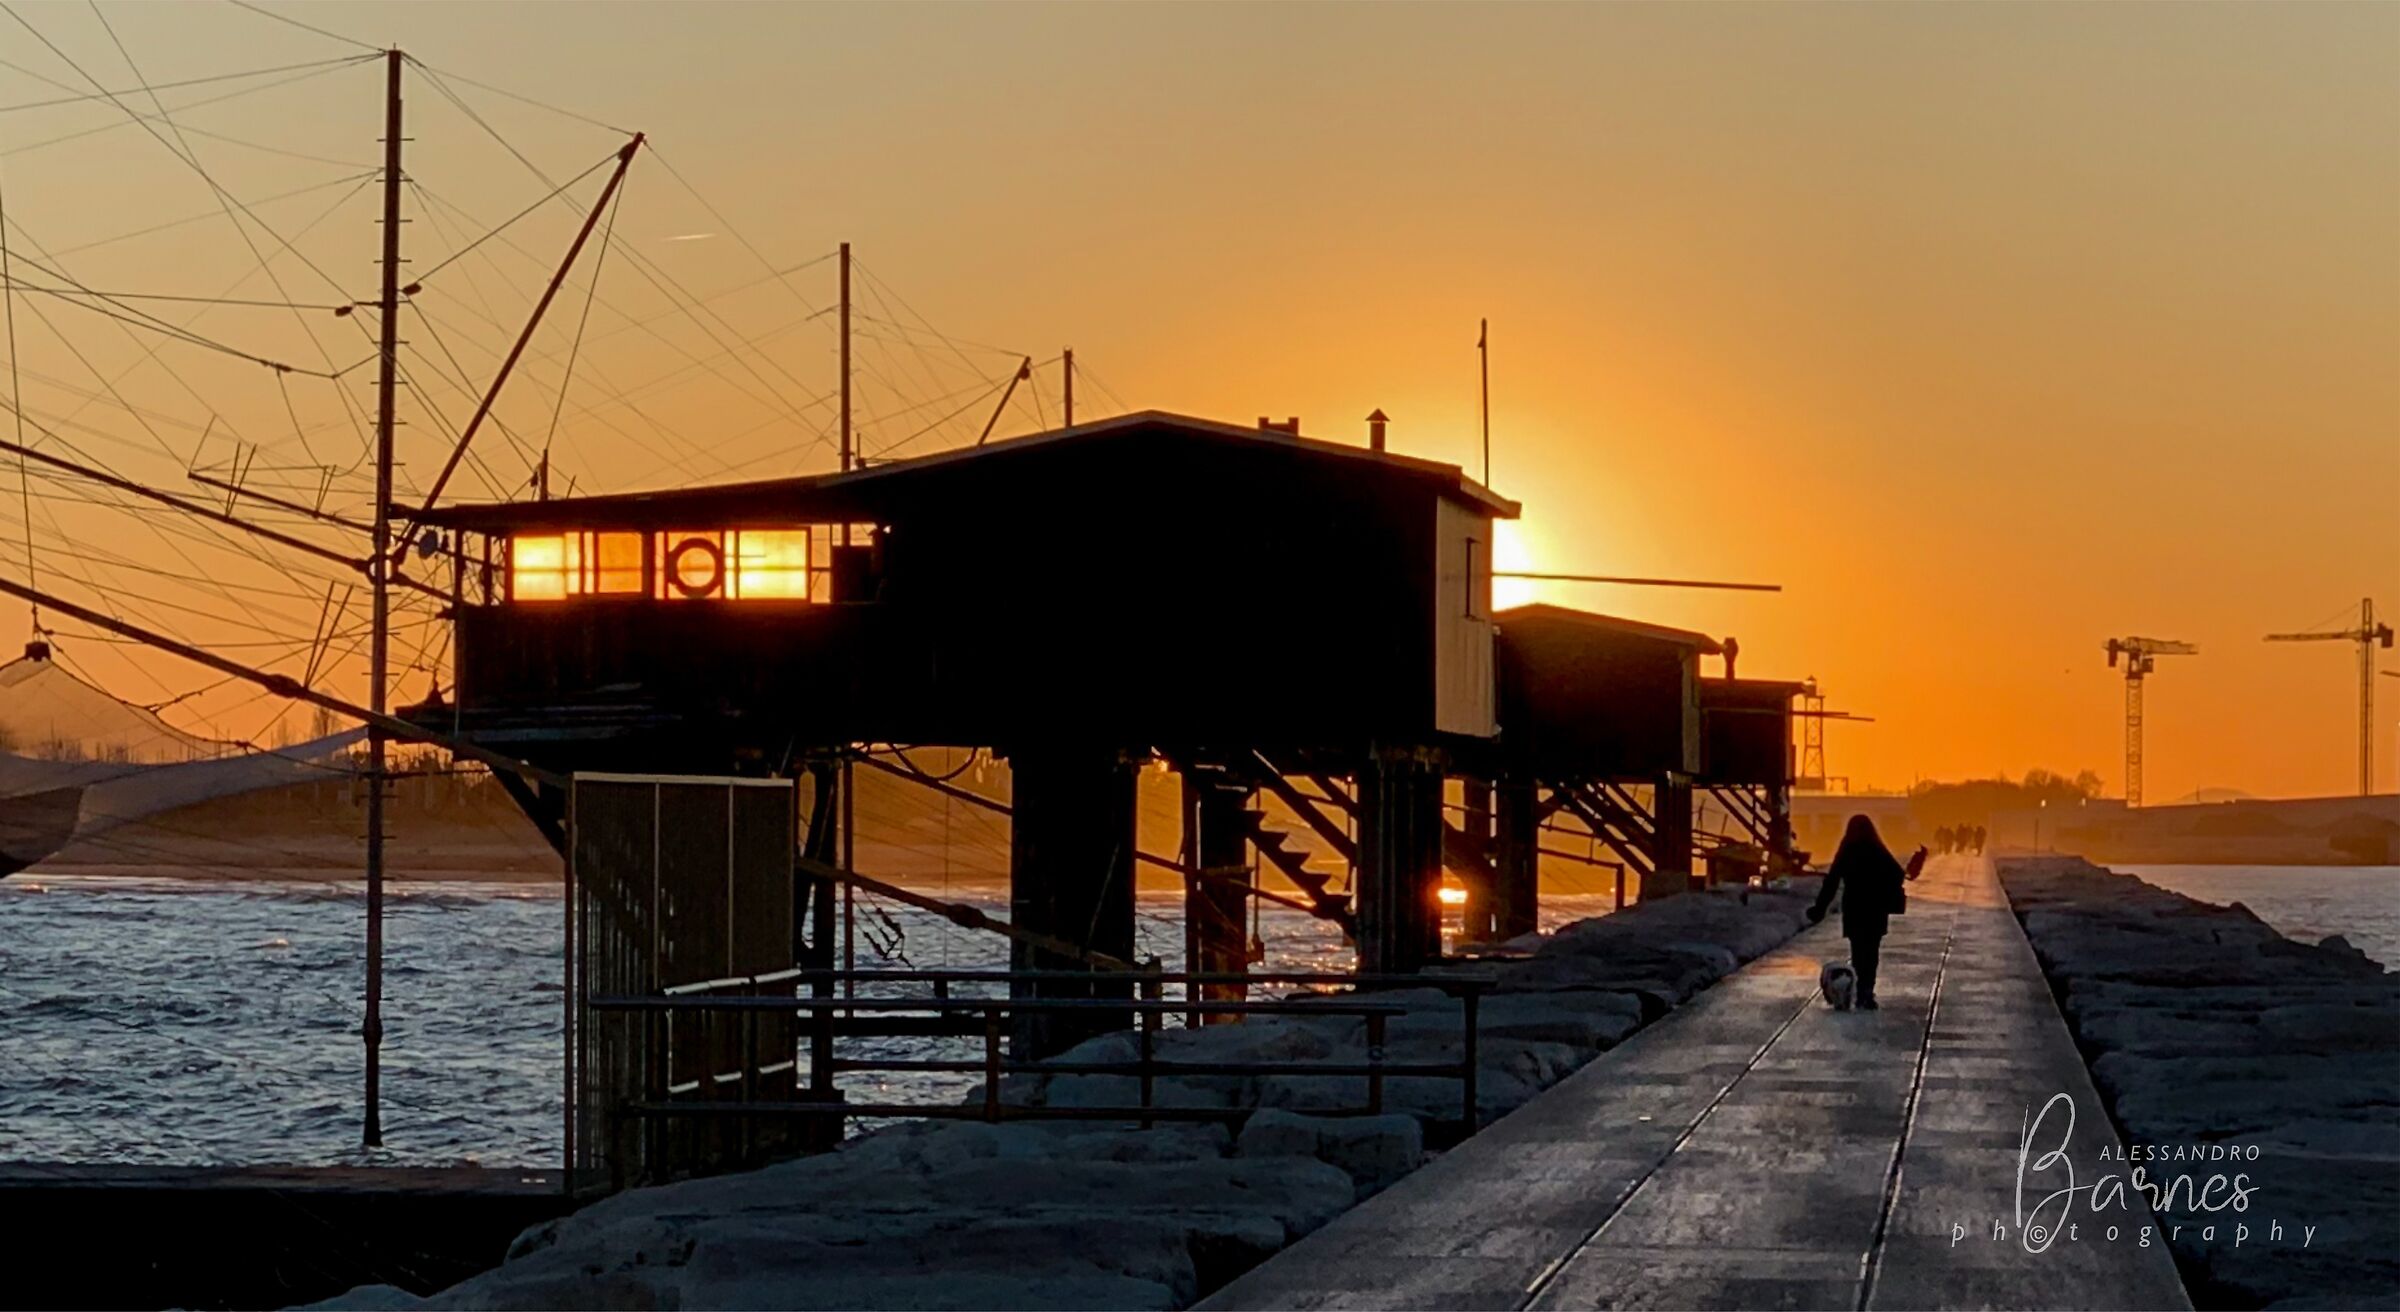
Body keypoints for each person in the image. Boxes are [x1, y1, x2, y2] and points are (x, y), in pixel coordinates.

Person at [1807, 815, 1926, 1010]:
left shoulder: (1847, 850)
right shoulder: (1877, 850)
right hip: (1876, 908)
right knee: (1871, 953)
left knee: (1858, 951)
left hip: (1855, 907)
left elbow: (1832, 881)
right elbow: (1897, 875)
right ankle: (1866, 992)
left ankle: (1855, 990)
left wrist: (1819, 908)